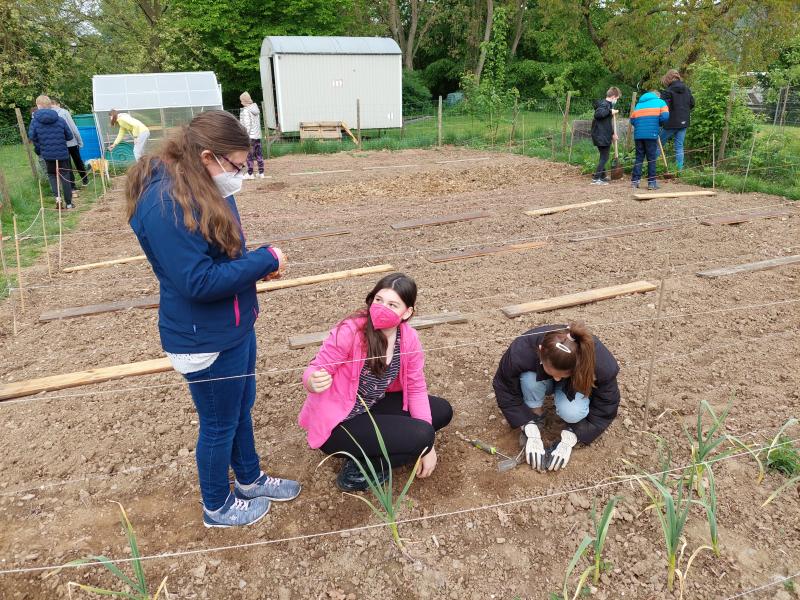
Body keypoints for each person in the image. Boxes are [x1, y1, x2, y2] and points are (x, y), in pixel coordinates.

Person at [126, 110, 301, 528]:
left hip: (235, 325)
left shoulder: (202, 184)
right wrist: (264, 259)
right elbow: (197, 281)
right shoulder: (165, 202)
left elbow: (221, 254)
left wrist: (256, 266)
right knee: (219, 423)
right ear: (209, 156)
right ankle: (217, 506)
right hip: (202, 336)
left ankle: (249, 479)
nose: (239, 174)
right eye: (237, 165)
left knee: (241, 407)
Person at [299, 273, 453, 492]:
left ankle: (379, 449)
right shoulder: (351, 330)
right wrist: (311, 381)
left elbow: (416, 388)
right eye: (378, 300)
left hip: (370, 405)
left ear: (407, 312)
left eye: (392, 304)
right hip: (340, 421)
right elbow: (317, 367)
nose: (382, 308)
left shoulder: (407, 338)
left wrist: (427, 448)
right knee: (423, 435)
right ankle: (357, 470)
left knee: (441, 411)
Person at [493, 323, 620, 472]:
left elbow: (607, 405)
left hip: (573, 384)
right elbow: (504, 386)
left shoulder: (600, 363)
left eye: (563, 375)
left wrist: (577, 434)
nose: (557, 379)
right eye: (553, 373)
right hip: (538, 376)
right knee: (529, 379)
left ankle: (570, 410)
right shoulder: (522, 350)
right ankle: (536, 415)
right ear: (540, 351)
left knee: (572, 413)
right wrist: (526, 422)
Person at [28, 95, 75, 209]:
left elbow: (31, 136)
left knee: (52, 176)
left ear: (38, 106)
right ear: (50, 105)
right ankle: (69, 203)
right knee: (65, 176)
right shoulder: (60, 119)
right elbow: (69, 136)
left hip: (47, 154)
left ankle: (58, 199)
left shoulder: (35, 122)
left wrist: (41, 143)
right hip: (62, 153)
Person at [630, 90, 669, 190]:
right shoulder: (661, 102)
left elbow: (632, 120)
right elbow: (665, 116)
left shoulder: (639, 104)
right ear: (658, 96)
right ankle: (651, 183)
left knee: (639, 157)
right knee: (651, 158)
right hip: (651, 134)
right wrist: (657, 123)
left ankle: (635, 182)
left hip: (638, 135)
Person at [659, 69, 695, 171]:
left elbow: (663, 108)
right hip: (684, 122)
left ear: (668, 79)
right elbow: (692, 104)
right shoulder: (687, 90)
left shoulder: (667, 92)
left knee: (659, 144)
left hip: (671, 122)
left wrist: (660, 121)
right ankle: (679, 170)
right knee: (679, 146)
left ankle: (652, 167)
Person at [51, 98, 89, 191]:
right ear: (58, 104)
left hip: (60, 144)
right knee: (78, 161)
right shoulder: (64, 112)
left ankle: (72, 186)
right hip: (72, 142)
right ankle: (85, 180)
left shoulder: (50, 114)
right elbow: (73, 127)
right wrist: (80, 141)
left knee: (67, 165)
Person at [590, 87, 621, 185]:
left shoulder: (607, 105)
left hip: (602, 134)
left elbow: (606, 123)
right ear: (613, 97)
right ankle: (596, 178)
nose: (616, 100)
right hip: (601, 135)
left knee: (603, 156)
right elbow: (598, 114)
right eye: (617, 98)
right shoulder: (604, 105)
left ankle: (602, 176)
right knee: (605, 157)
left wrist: (612, 134)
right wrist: (610, 111)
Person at [238, 92, 265, 179]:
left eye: (241, 100)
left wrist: (244, 135)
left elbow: (246, 125)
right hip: (257, 136)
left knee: (249, 156)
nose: (241, 102)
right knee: (259, 155)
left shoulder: (246, 110)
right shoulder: (255, 109)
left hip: (249, 137)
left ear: (244, 101)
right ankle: (261, 173)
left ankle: (250, 174)